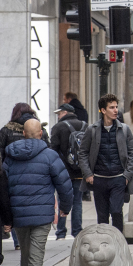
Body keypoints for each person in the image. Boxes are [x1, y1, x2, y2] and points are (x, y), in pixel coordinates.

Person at [3, 120, 72, 266]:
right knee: (36, 255)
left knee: (26, 255)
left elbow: (2, 186)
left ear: (24, 134)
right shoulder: (50, 156)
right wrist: (65, 207)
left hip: (19, 214)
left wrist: (5, 215)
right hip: (42, 214)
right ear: (40, 134)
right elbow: (64, 184)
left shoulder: (10, 156)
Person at [78, 94, 133, 232]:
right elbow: (83, 153)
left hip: (118, 179)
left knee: (117, 211)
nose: (116, 110)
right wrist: (88, 174)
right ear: (103, 110)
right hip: (99, 179)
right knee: (102, 216)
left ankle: (118, 243)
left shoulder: (124, 129)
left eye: (116, 107)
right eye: (112, 107)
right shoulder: (92, 130)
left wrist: (127, 176)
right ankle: (104, 243)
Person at [50, 103, 88, 240]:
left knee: (62, 200)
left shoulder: (58, 127)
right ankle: (77, 231)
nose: (58, 116)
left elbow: (52, 150)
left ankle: (61, 232)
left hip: (63, 172)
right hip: (80, 171)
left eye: (59, 113)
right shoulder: (85, 125)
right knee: (77, 201)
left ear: (65, 113)